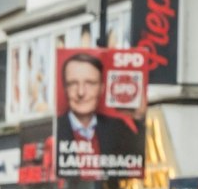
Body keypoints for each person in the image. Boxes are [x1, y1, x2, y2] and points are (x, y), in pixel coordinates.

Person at [53, 51, 144, 180]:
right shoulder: (53, 131)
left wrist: (139, 116)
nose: (81, 92)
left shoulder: (117, 129)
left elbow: (139, 157)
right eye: (73, 83)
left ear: (102, 88)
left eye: (90, 83)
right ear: (65, 88)